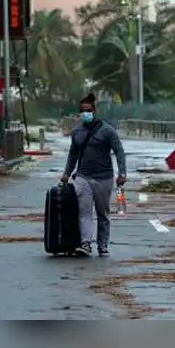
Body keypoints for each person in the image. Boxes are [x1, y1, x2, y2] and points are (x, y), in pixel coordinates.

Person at [61, 93, 126, 257]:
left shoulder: (107, 131)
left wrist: (122, 173)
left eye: (88, 110)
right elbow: (73, 154)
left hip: (104, 178)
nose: (85, 114)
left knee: (103, 213)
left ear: (94, 110)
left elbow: (119, 151)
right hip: (83, 177)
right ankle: (86, 244)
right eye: (83, 111)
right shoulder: (77, 132)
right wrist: (66, 173)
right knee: (84, 211)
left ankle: (103, 245)